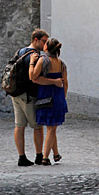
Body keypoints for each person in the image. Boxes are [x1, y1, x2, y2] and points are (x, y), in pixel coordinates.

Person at [12, 29, 63, 167]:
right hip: (28, 95)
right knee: (38, 126)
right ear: (36, 40)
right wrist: (53, 82)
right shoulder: (35, 56)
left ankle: (21, 157)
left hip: (16, 94)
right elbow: (34, 78)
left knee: (19, 126)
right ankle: (40, 156)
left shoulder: (21, 51)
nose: (45, 44)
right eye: (44, 41)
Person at [29, 37, 68, 166]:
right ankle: (55, 154)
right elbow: (65, 83)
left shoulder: (42, 60)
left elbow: (33, 76)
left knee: (51, 128)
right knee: (52, 127)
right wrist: (63, 97)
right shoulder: (61, 64)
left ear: (46, 47)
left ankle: (45, 157)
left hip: (44, 96)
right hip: (57, 97)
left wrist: (31, 63)